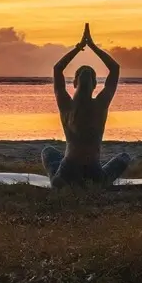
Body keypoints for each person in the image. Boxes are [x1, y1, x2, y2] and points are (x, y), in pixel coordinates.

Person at [41, 23, 132, 187]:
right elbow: (114, 68)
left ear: (75, 83)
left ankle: (58, 180)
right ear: (96, 84)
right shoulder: (101, 104)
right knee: (124, 157)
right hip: (94, 174)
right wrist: (92, 46)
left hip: (66, 174)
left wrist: (79, 47)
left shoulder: (66, 105)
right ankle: (95, 181)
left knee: (47, 151)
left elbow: (57, 69)